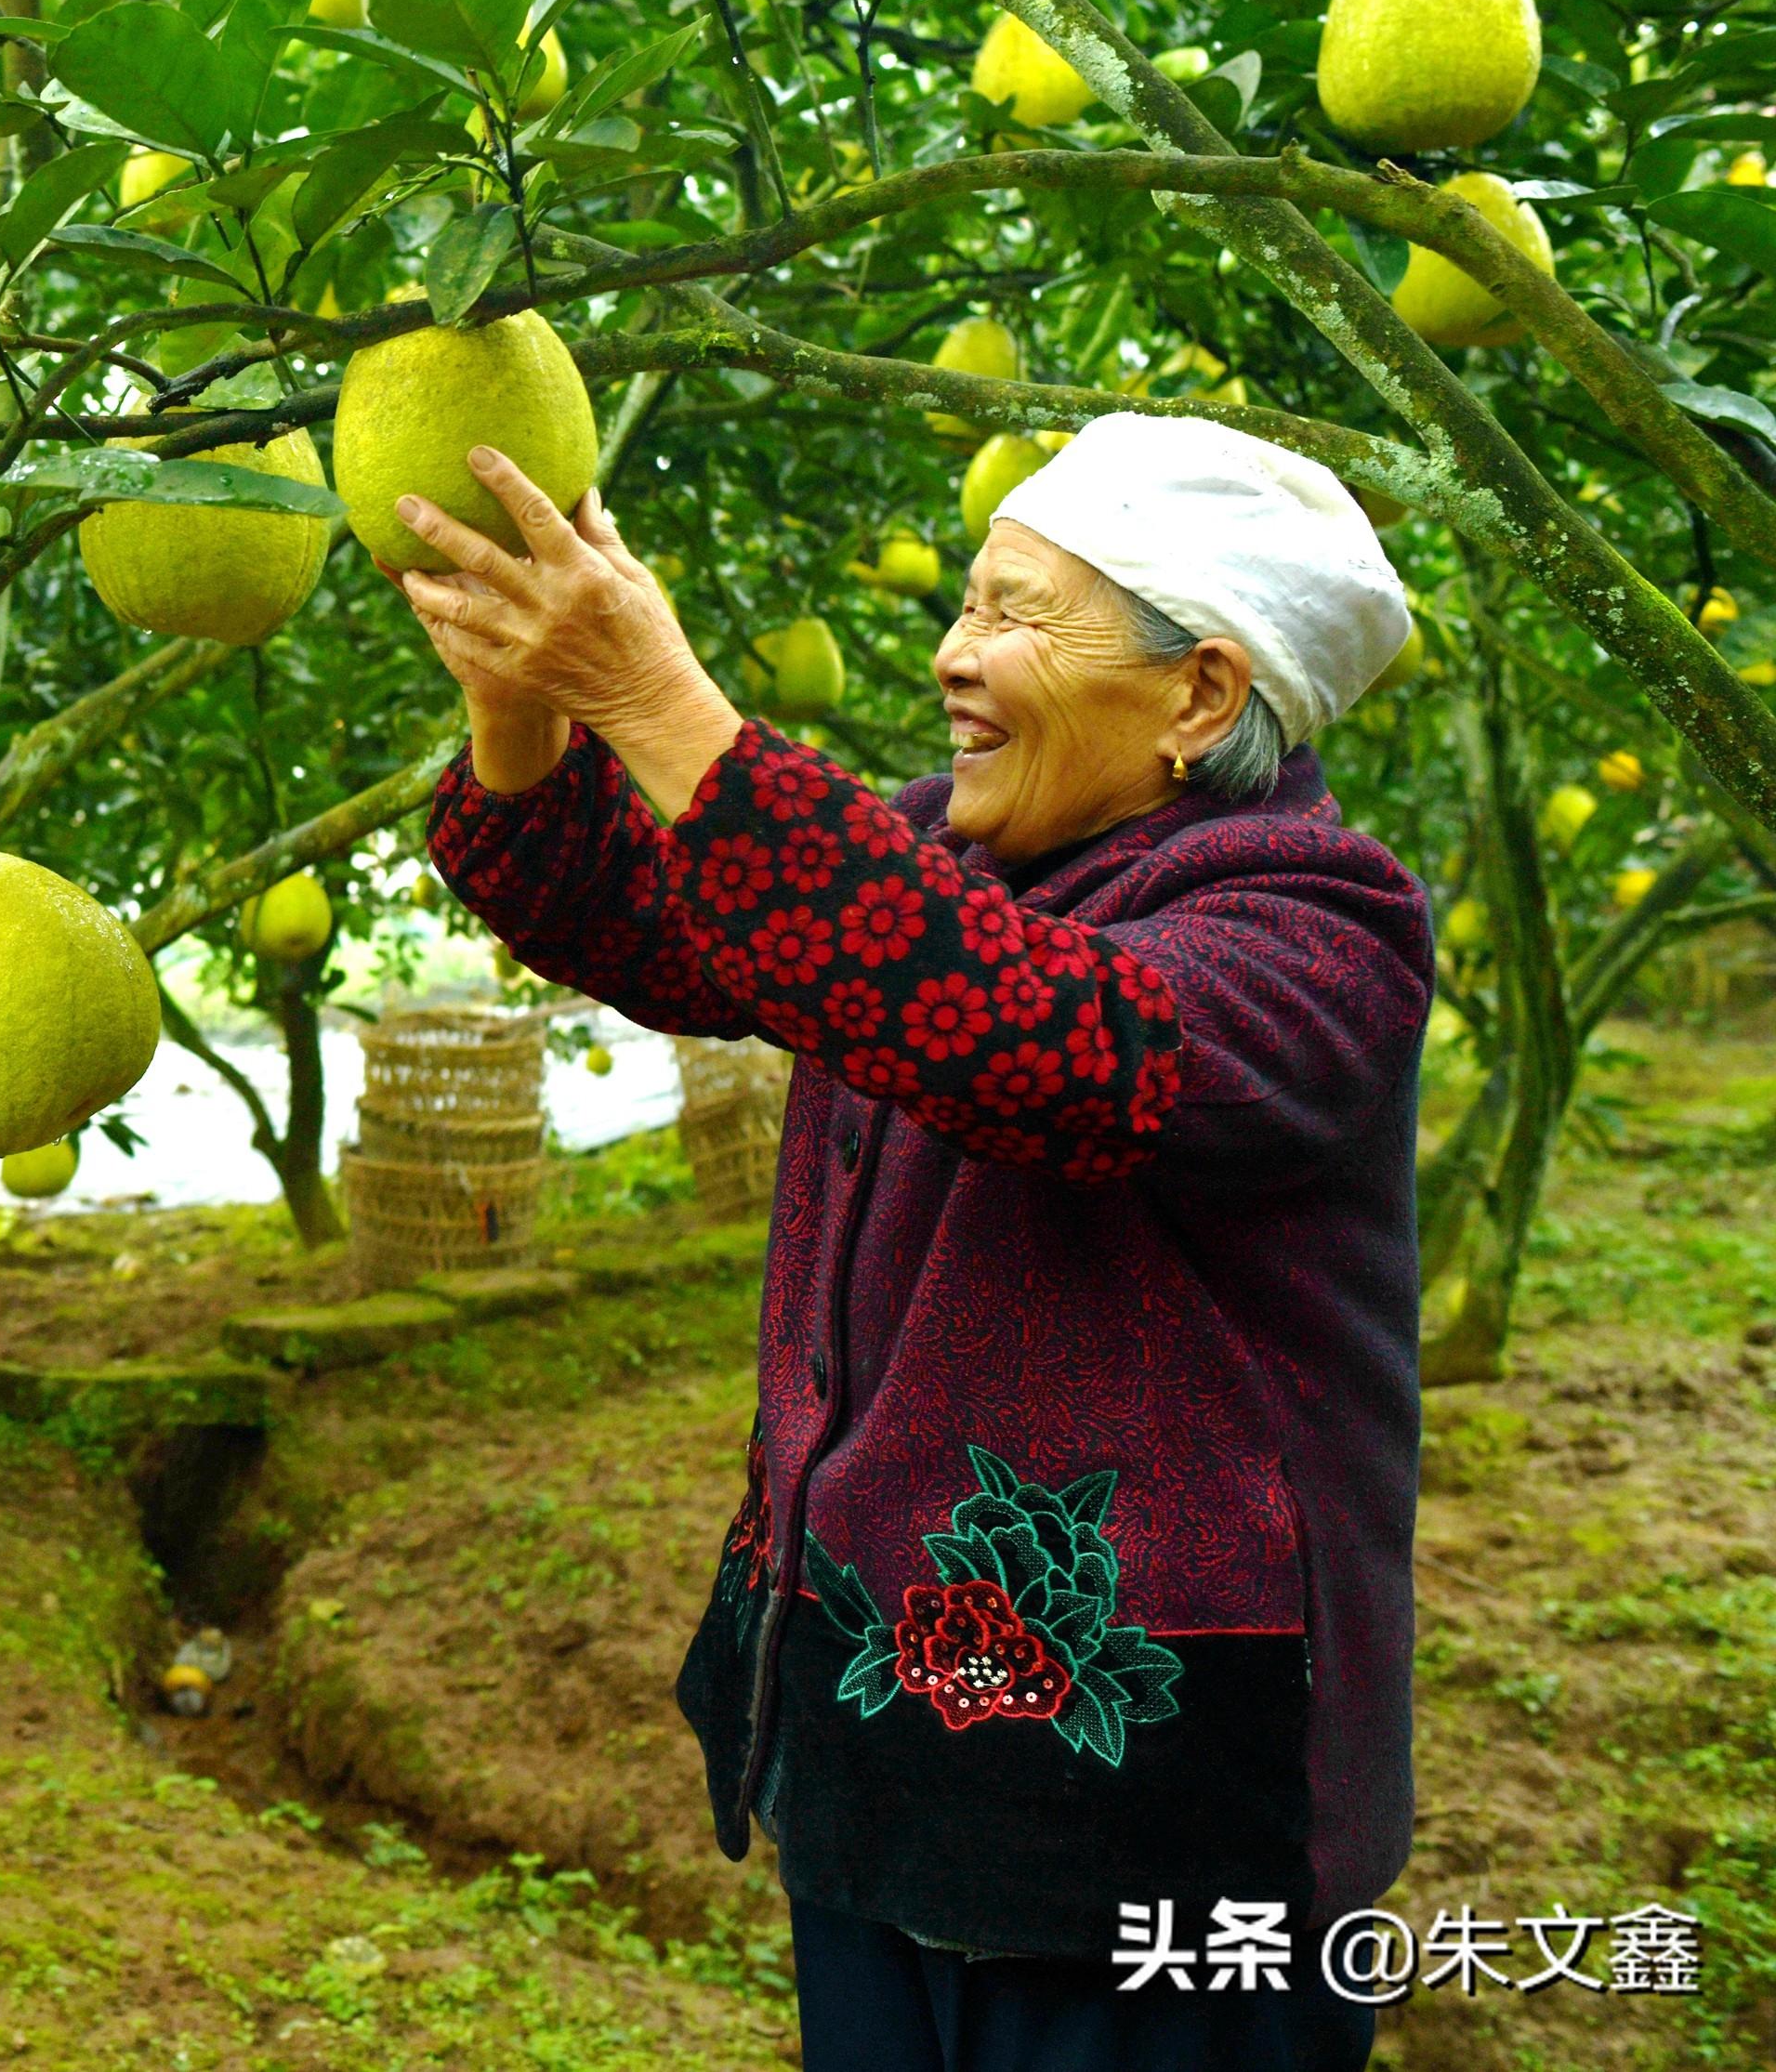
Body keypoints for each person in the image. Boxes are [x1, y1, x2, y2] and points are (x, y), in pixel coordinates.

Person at [392, 413, 1429, 2072]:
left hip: (1163, 1848)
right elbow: (668, 917)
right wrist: (527, 717)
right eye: (964, 602)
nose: (954, 657)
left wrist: (663, 701)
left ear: (1200, 697)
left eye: (1017, 615)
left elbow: (1035, 1037)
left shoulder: (1319, 924)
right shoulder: (939, 861)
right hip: (896, 1770)